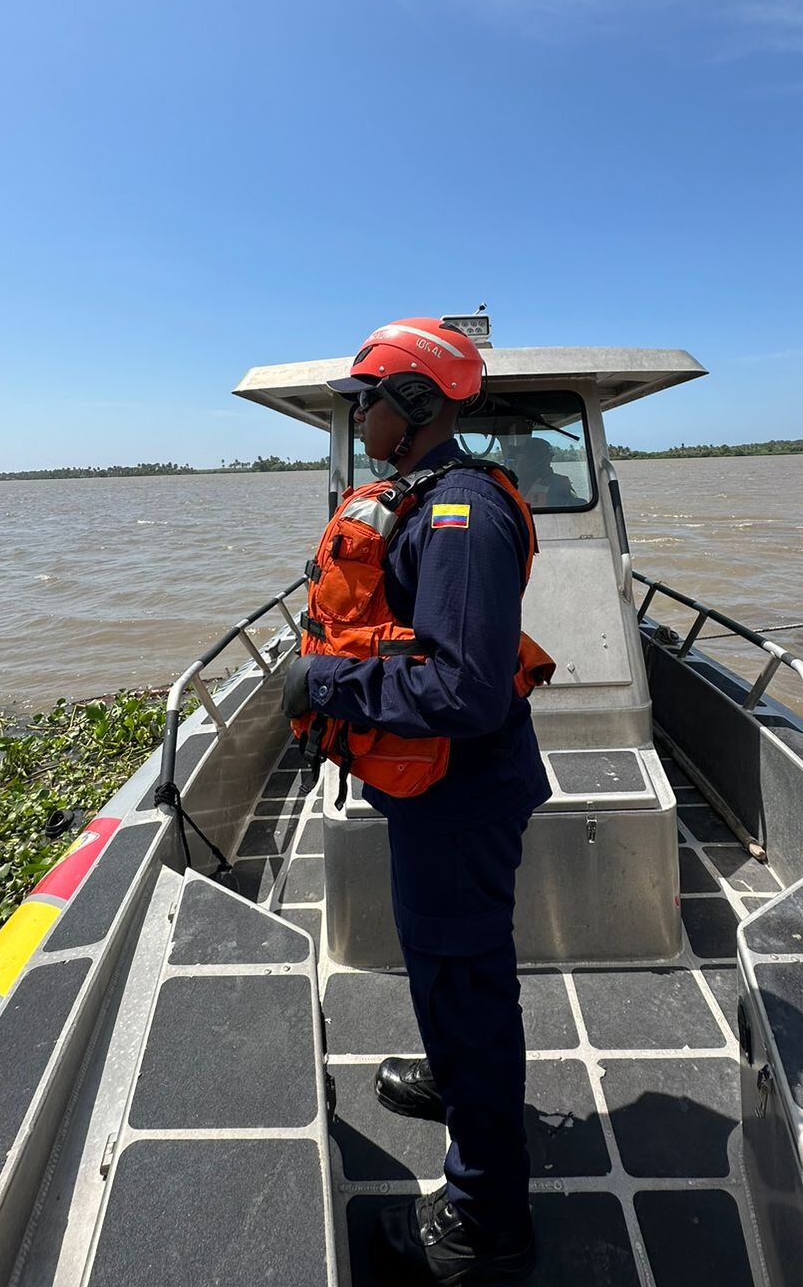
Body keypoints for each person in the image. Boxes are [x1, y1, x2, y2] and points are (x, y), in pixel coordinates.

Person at [281, 316, 551, 1285]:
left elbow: (467, 693)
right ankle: (454, 1073)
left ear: (420, 405)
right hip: (433, 787)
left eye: (367, 398)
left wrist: (322, 687)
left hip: (460, 791)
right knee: (449, 966)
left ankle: (485, 1222)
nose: (356, 415)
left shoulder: (460, 514)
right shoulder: (420, 500)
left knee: (464, 978)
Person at [510, 436, 578, 509]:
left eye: (521, 459)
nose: (517, 464)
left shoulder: (559, 485)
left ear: (535, 461)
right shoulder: (519, 482)